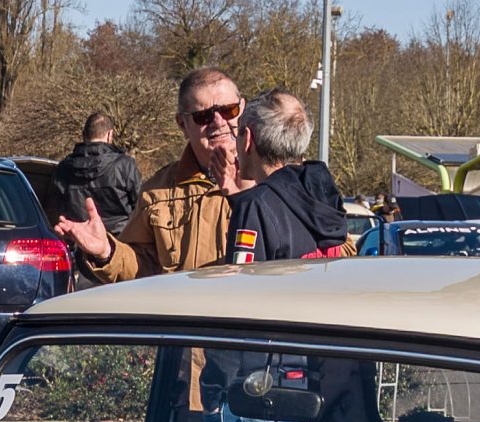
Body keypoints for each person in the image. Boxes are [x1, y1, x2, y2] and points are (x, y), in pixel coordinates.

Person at [56, 68, 249, 281]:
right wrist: (106, 252)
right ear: (182, 124)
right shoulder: (157, 192)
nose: (218, 122)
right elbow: (141, 268)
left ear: (243, 109)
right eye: (203, 116)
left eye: (229, 110)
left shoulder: (269, 181)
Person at [225, 91, 350, 262]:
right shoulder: (324, 195)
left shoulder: (254, 207)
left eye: (236, 134)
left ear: (247, 139)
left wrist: (245, 207)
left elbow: (242, 277)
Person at [53, 112, 140, 238]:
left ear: (84, 135)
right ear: (110, 135)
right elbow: (141, 205)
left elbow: (55, 208)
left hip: (79, 240)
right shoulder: (125, 165)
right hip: (119, 240)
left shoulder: (64, 168)